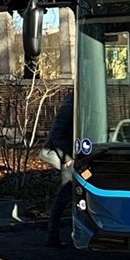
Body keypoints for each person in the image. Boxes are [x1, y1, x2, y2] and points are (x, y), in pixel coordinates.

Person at [45, 90, 75, 248]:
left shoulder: (73, 105)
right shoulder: (69, 108)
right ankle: (52, 235)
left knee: (67, 195)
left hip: (71, 155)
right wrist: (68, 158)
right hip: (66, 157)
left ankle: (56, 234)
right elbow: (56, 135)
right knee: (64, 195)